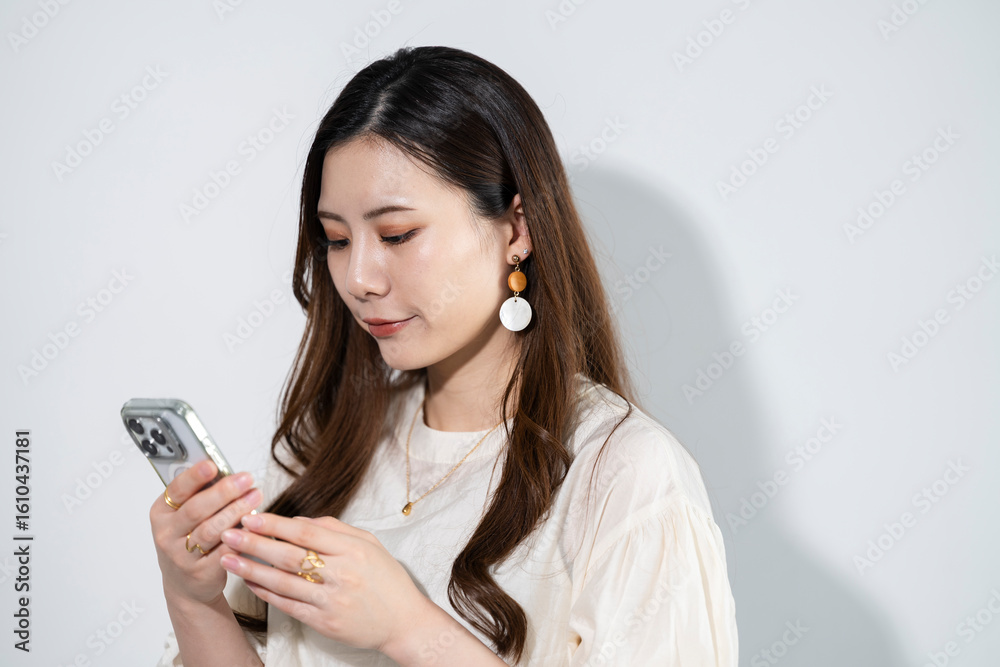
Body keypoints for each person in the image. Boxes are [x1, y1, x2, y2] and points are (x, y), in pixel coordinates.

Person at [150, 45, 738, 666]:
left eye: (397, 234)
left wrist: (407, 628)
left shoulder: (623, 475)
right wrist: (194, 600)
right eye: (337, 240)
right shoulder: (324, 453)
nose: (358, 278)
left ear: (517, 229)